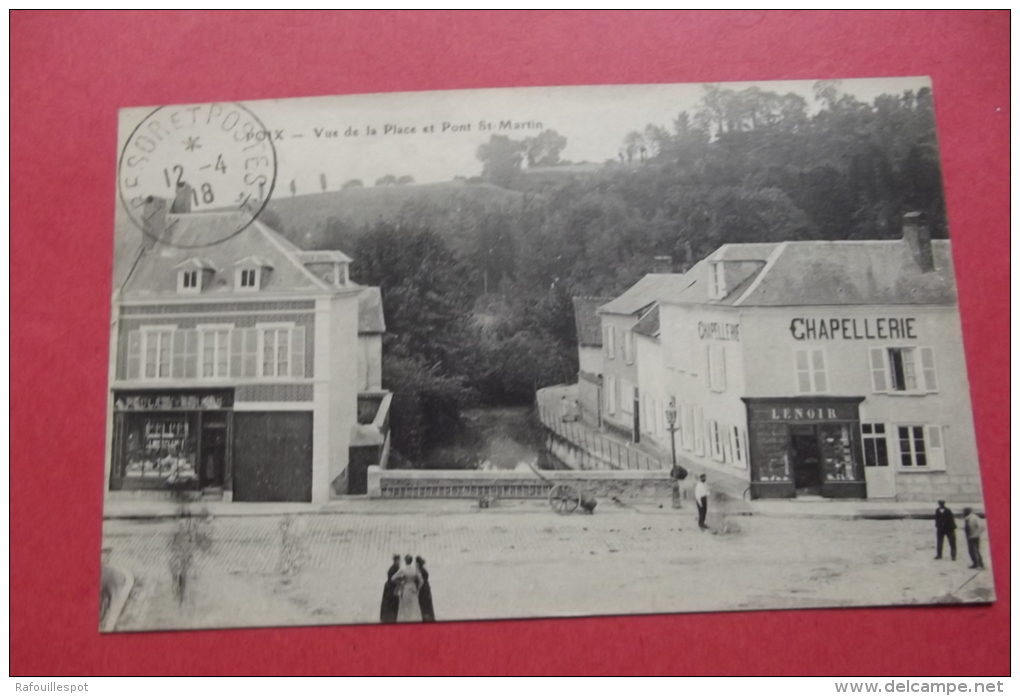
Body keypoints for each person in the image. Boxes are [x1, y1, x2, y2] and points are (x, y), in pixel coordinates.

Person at [392, 554, 423, 622]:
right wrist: (418, 589)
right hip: (413, 588)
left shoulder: (403, 569)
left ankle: (406, 620)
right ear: (411, 561)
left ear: (405, 561)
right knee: (414, 606)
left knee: (405, 605)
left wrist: (400, 582)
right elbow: (421, 581)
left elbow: (393, 578)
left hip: (406, 588)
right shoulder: (415, 569)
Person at [379, 554, 401, 623]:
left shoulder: (393, 567)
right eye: (398, 560)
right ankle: (390, 616)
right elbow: (394, 579)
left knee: (389, 603)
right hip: (392, 587)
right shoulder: (395, 568)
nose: (399, 562)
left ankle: (388, 616)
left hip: (389, 587)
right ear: (396, 561)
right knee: (392, 602)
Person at [416, 556, 435, 622]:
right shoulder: (423, 569)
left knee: (423, 603)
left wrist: (417, 589)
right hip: (426, 588)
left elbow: (420, 581)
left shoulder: (419, 571)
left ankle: (425, 618)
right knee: (427, 604)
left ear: (417, 563)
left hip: (423, 589)